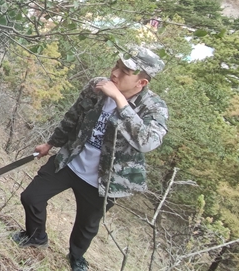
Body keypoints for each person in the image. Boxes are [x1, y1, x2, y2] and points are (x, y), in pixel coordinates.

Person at [12, 47, 168, 271]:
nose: (114, 73)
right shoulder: (97, 86)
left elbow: (148, 141)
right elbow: (73, 116)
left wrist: (119, 100)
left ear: (141, 83)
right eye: (116, 66)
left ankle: (76, 257)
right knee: (31, 197)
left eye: (124, 72)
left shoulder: (153, 107)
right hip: (71, 160)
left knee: (87, 226)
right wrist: (51, 143)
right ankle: (36, 237)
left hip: (105, 180)